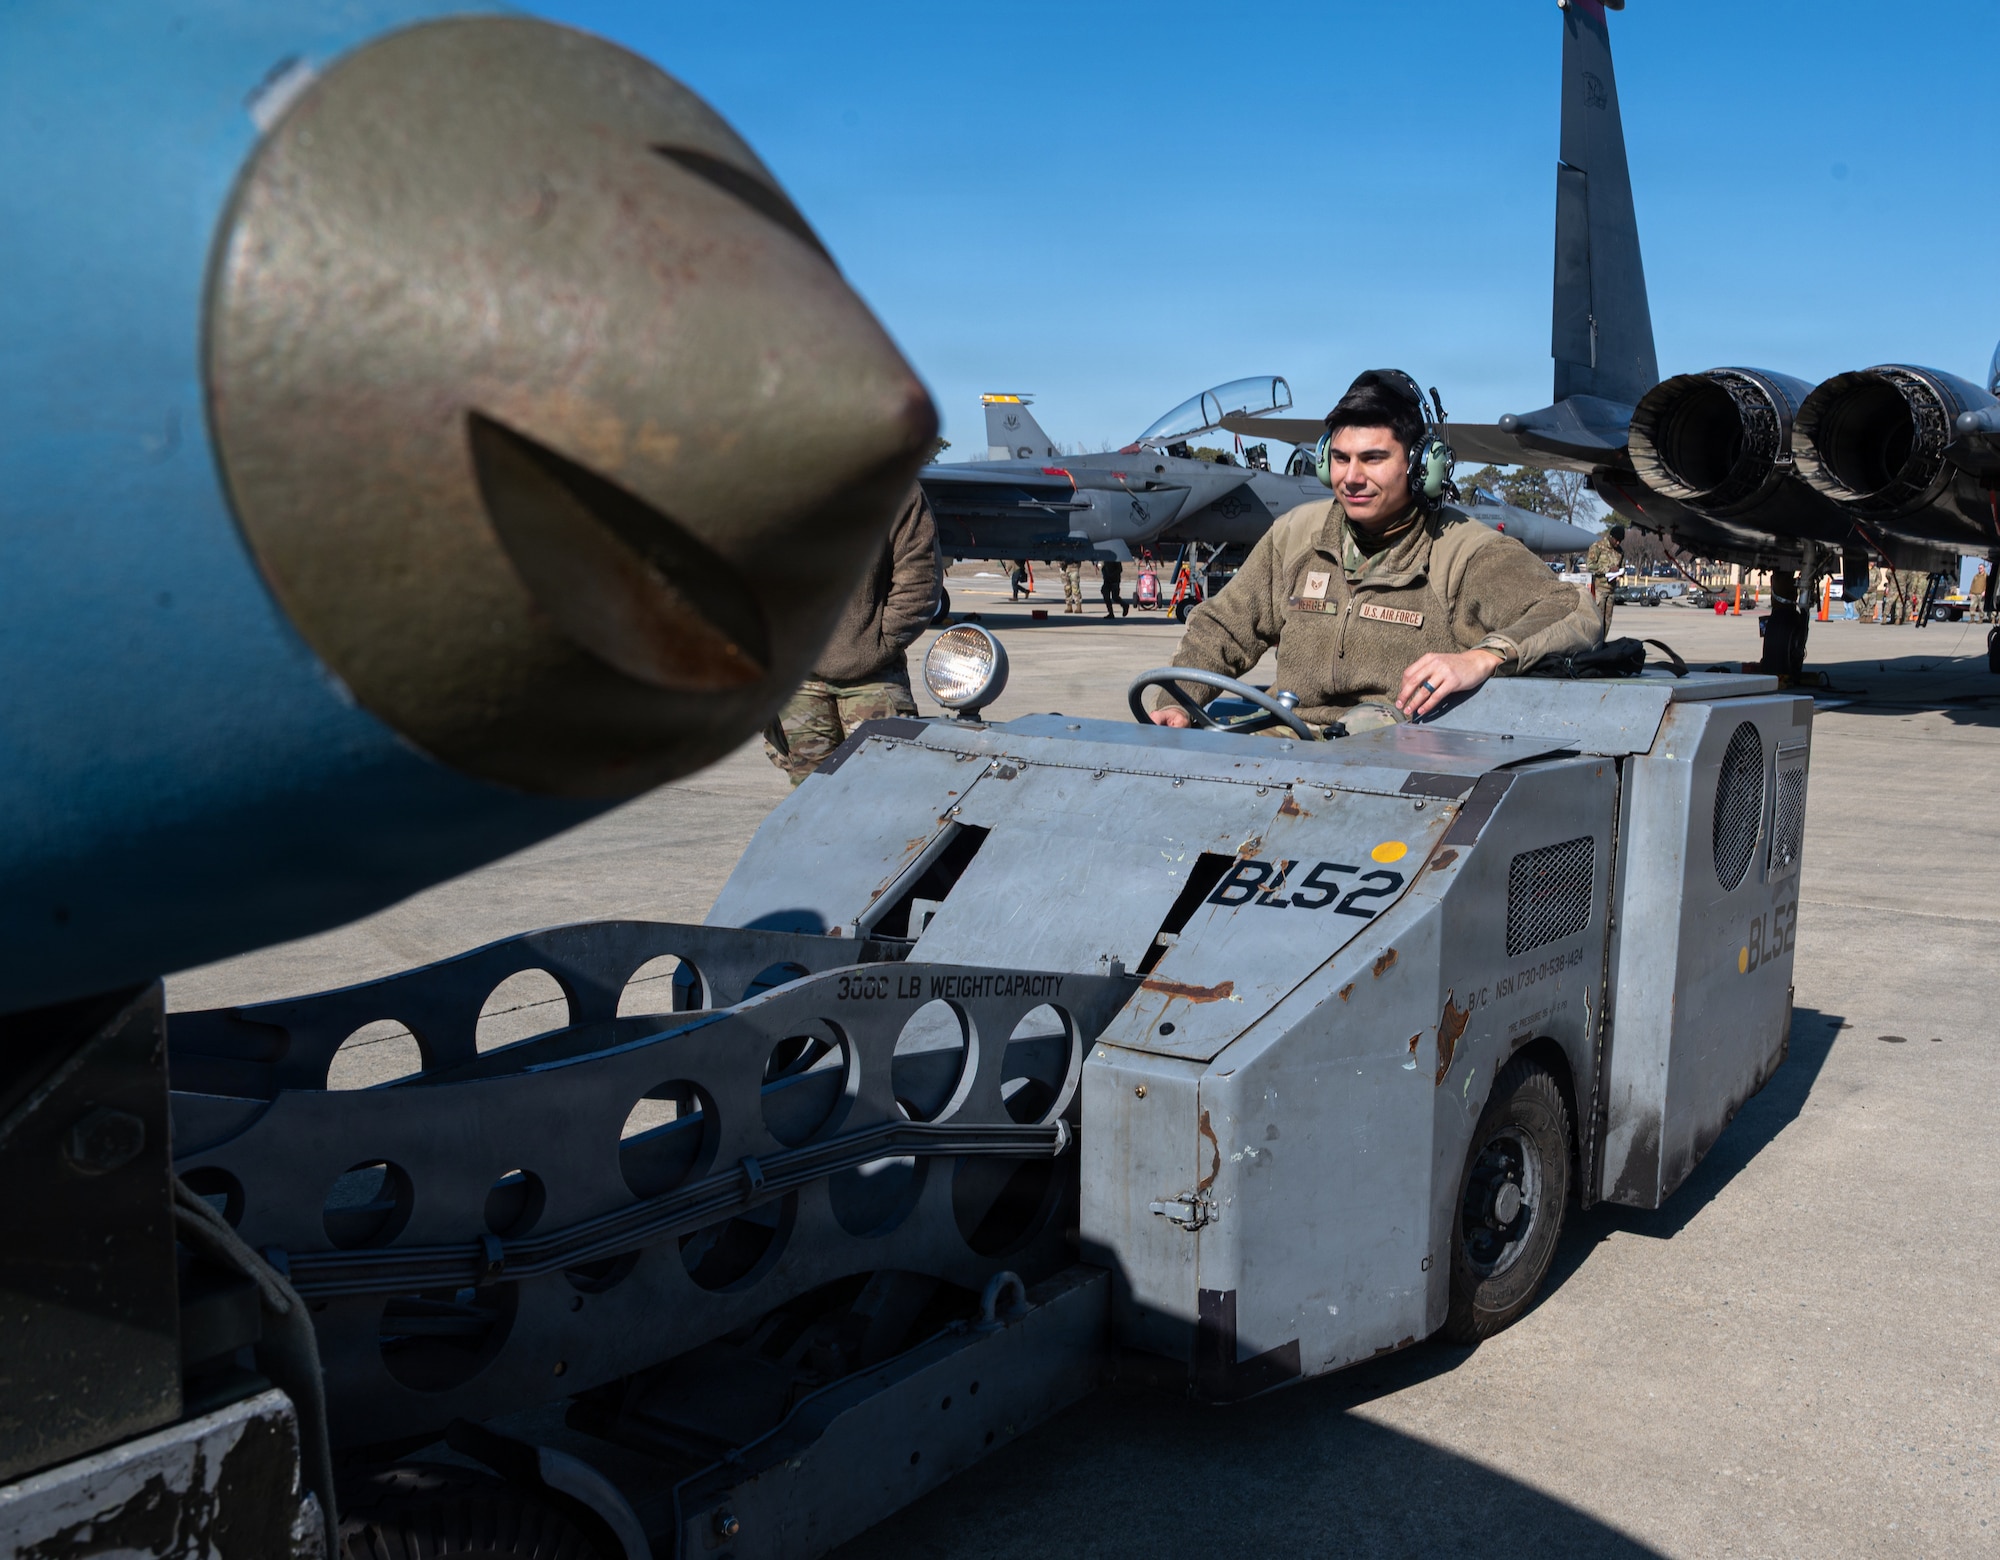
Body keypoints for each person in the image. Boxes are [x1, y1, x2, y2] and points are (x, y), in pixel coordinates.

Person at [1149, 370, 1600, 734]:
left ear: (1420, 465)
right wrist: (1178, 701)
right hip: (1289, 741)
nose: (1352, 477)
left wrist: (1482, 658)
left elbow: (1571, 609)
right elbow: (1223, 626)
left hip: (1396, 761)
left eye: (1373, 459)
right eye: (1341, 459)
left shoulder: (1461, 552)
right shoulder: (1296, 536)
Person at [763, 484, 939, 785]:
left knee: (882, 798)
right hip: (796, 683)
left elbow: (919, 578)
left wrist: (878, 644)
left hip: (873, 678)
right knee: (809, 802)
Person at [1584, 525, 1625, 635]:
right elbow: (1590, 565)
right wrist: (1608, 569)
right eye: (1616, 540)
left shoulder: (1620, 551)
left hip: (1611, 591)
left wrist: (1620, 572)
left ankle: (1603, 644)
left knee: (1607, 621)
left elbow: (1621, 567)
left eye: (1620, 541)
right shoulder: (1598, 546)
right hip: (1599, 590)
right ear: (1611, 537)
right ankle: (1595, 645)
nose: (1618, 543)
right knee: (1598, 620)